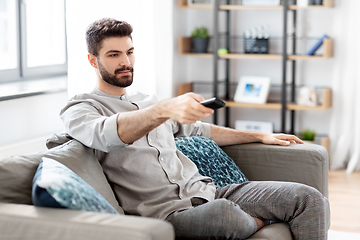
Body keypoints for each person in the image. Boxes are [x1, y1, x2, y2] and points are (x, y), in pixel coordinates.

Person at [60, 18, 330, 240]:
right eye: (114, 55)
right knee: (224, 214)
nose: (126, 62)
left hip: (208, 192)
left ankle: (252, 220)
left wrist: (260, 136)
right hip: (167, 214)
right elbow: (107, 134)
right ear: (93, 60)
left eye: (130, 52)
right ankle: (255, 222)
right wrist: (164, 110)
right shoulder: (81, 109)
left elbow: (199, 131)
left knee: (308, 198)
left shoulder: (146, 100)